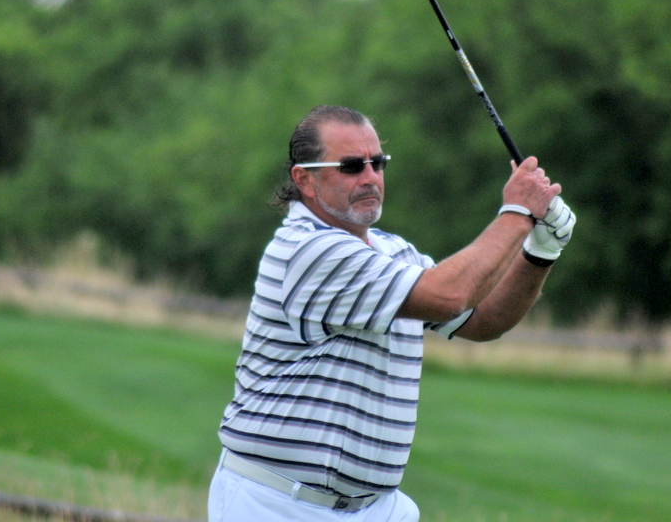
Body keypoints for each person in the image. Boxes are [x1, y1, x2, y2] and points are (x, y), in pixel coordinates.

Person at [208, 105, 575, 521]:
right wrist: (518, 212)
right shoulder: (306, 249)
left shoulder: (393, 252)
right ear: (304, 179)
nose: (370, 177)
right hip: (277, 502)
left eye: (377, 163)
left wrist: (540, 251)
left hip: (375, 507)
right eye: (351, 166)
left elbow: (483, 319)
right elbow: (450, 295)